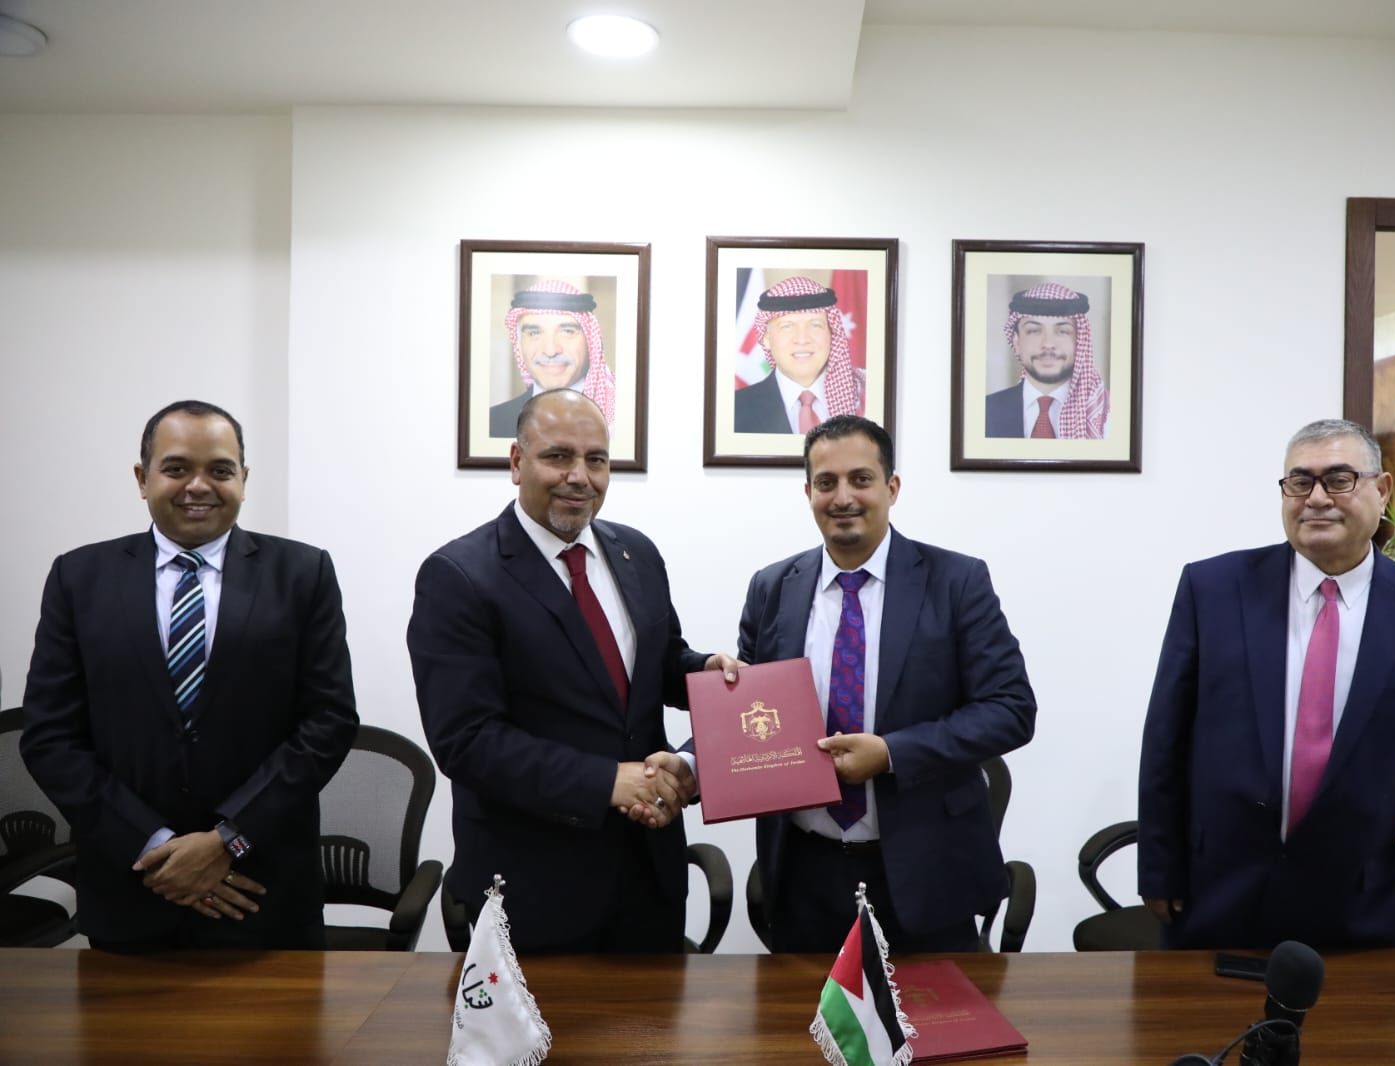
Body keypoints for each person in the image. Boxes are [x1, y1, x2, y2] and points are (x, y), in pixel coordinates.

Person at [20, 400, 359, 952]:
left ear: (243, 479)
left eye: (220, 470)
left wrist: (228, 840)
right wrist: (155, 848)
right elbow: (49, 737)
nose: (198, 486)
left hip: (263, 895)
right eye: (176, 468)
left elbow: (329, 721)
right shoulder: (78, 578)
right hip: (132, 892)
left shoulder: (303, 574)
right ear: (142, 478)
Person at [1137, 418, 1395, 950]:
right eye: (1300, 482)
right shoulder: (1212, 591)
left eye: (1339, 480)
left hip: (1358, 907)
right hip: (1214, 896)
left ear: (1382, 490)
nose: (1317, 499)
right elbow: (1166, 738)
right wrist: (1159, 868)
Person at [410, 389, 738, 952]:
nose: (579, 477)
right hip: (533, 888)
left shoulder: (637, 553)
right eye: (558, 456)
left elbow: (654, 662)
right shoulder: (459, 576)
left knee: (657, 1016)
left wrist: (705, 671)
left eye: (596, 459)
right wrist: (609, 781)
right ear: (517, 462)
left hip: (648, 875)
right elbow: (467, 740)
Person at [737, 414, 1036, 952]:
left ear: (891, 487)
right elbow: (751, 717)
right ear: (808, 493)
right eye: (826, 482)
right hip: (804, 873)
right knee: (807, 1010)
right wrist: (690, 765)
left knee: (937, 1010)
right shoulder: (772, 587)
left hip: (927, 871)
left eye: (861, 479)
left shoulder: (957, 581)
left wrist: (892, 753)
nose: (843, 497)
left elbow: (1011, 708)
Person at [734, 276, 866, 434]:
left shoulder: (865, 396)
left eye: (815, 325)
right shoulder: (735, 409)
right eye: (787, 327)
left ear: (832, 333)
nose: (802, 339)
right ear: (766, 339)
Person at [487, 278, 618, 437]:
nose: (550, 351)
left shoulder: (620, 418)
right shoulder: (493, 422)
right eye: (534, 333)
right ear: (519, 344)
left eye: (567, 331)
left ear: (590, 341)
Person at [984, 282, 1109, 439]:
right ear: (1016, 342)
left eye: (1062, 331)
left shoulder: (1107, 415)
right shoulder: (983, 412)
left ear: (1080, 341)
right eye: (1034, 331)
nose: (1048, 344)